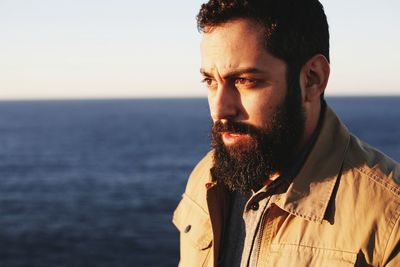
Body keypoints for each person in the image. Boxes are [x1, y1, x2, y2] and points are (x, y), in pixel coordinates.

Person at [172, 0, 400, 266]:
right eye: (210, 81)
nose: (220, 109)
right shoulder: (206, 176)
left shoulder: (390, 218)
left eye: (245, 81)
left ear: (312, 79)